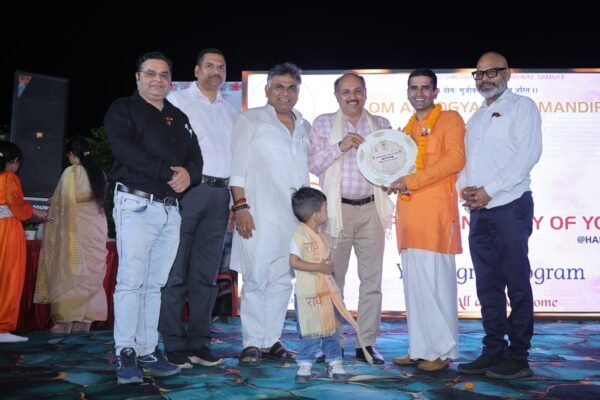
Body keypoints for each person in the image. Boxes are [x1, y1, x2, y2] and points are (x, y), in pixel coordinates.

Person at [104, 51, 204, 384]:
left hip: (170, 209)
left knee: (154, 284)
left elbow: (196, 158)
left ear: (170, 81)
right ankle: (125, 351)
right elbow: (124, 150)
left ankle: (147, 349)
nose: (157, 80)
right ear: (138, 77)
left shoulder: (178, 115)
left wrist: (190, 175)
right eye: (150, 73)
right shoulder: (123, 109)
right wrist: (167, 173)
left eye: (164, 75)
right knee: (131, 281)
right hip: (136, 203)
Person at [457, 51, 542, 380]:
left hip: (510, 206)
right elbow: (466, 162)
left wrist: (489, 190)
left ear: (507, 74)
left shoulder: (523, 107)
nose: (485, 79)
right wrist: (465, 190)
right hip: (480, 211)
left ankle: (518, 356)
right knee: (487, 284)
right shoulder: (476, 116)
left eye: (492, 72)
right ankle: (493, 348)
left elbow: (527, 156)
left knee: (516, 282)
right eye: (479, 74)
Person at [159, 48, 238, 369]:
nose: (215, 71)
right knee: (175, 272)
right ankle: (173, 344)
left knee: (206, 276)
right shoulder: (177, 101)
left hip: (220, 197)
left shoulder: (230, 111)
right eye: (209, 66)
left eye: (221, 67)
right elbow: (164, 146)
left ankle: (200, 343)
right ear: (196, 70)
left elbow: (236, 159)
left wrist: (233, 201)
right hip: (187, 193)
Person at [309, 72, 393, 364]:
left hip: (372, 208)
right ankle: (333, 343)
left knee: (372, 281)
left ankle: (366, 343)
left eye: (357, 91)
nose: (352, 97)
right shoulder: (322, 123)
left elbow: (391, 167)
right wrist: (340, 146)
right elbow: (313, 164)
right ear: (337, 96)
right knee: (333, 281)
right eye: (346, 92)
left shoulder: (381, 125)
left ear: (365, 93)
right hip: (336, 211)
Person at [230, 62, 310, 366]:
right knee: (255, 278)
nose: (285, 93)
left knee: (282, 280)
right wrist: (241, 207)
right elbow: (237, 169)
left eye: (291, 88)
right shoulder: (250, 120)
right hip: (258, 213)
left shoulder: (304, 125)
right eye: (279, 86)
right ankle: (251, 342)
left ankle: (269, 340)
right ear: (267, 89)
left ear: (298, 92)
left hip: (294, 217)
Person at [386, 69, 465, 371]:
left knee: (436, 286)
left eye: (425, 88)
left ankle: (442, 352)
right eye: (414, 88)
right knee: (416, 288)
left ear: (435, 92)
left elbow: (456, 159)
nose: (419, 93)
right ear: (408, 92)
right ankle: (420, 348)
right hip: (409, 216)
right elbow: (401, 168)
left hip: (436, 217)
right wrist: (391, 178)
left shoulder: (450, 119)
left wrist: (412, 180)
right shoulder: (407, 129)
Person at [34, 137, 109, 335]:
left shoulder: (72, 172)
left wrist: (52, 201)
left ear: (72, 155)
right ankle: (86, 319)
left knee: (71, 269)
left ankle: (66, 320)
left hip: (76, 228)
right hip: (97, 228)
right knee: (92, 273)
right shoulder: (99, 173)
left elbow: (65, 201)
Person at [290, 187, 347, 383]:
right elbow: (294, 261)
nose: (327, 212)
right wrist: (319, 267)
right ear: (316, 214)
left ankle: (334, 362)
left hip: (325, 292)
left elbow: (325, 262)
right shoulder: (299, 235)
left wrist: (327, 267)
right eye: (325, 208)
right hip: (307, 294)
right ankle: (305, 365)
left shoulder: (322, 236)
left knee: (331, 328)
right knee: (310, 330)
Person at [0, 141, 47, 343]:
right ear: (14, 161)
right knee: (9, 276)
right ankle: (2, 327)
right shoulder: (9, 178)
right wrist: (37, 212)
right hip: (7, 230)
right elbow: (18, 207)